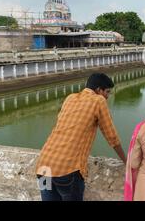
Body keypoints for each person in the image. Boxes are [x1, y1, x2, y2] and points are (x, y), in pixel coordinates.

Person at [35, 73, 126, 201]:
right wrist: (126, 161)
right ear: (99, 90)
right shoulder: (98, 100)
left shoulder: (70, 98)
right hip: (67, 170)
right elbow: (112, 137)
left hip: (43, 166)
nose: (107, 96)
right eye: (107, 92)